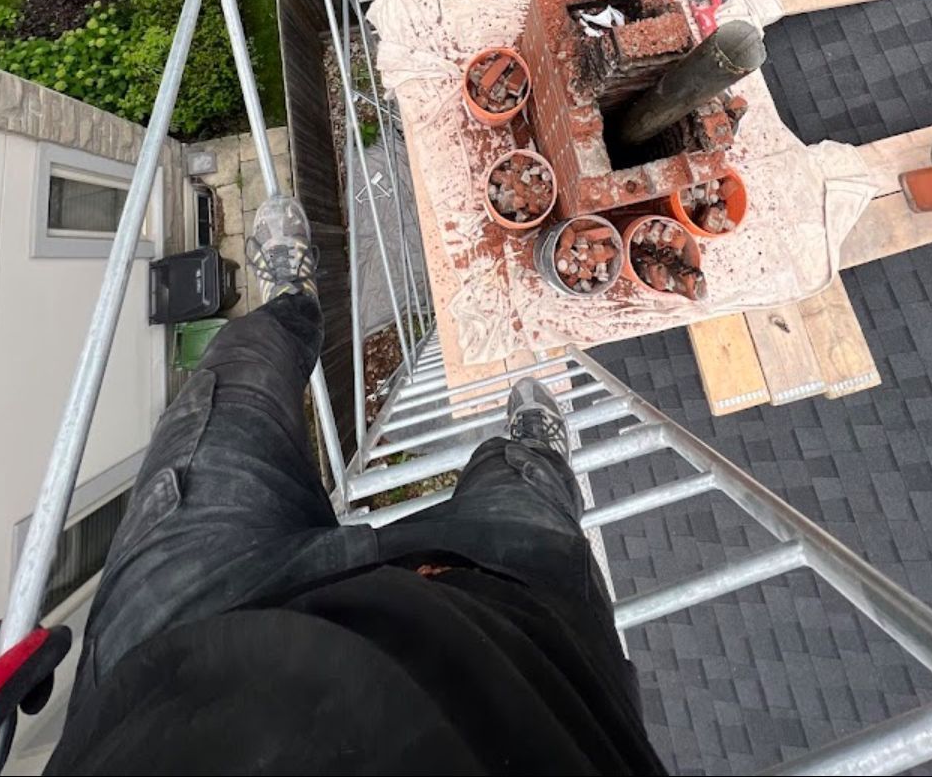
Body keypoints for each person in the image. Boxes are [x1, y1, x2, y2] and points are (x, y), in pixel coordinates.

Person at [43, 195, 665, 774]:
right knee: (523, 492)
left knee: (243, 368)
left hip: (181, 640)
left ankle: (291, 303)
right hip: (521, 649)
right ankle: (533, 453)